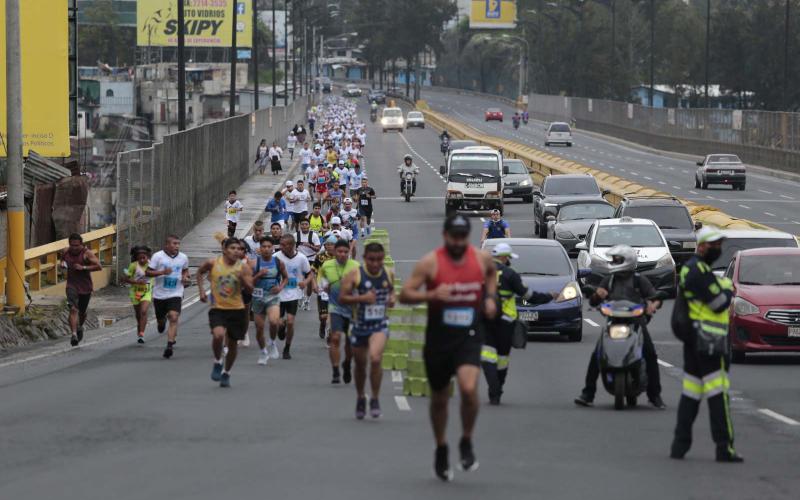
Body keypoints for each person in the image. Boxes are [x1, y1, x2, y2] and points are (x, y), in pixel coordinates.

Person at [399, 215, 498, 482]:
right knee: (440, 397)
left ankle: (466, 440)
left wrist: (489, 298)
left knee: (468, 388)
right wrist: (430, 295)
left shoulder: (480, 258)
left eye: (462, 236)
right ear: (445, 236)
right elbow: (405, 294)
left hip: (469, 334)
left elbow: (492, 274)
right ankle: (441, 447)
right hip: (439, 338)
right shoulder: (430, 262)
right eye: (454, 237)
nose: (458, 242)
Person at [670, 228, 743, 463]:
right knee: (718, 397)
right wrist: (727, 289)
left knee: (690, 396)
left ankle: (679, 447)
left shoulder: (697, 269)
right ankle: (725, 448)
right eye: (715, 245)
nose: (718, 249)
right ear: (701, 246)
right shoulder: (697, 271)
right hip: (708, 345)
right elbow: (720, 303)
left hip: (696, 343)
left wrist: (721, 287)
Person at [574, 245, 665, 409]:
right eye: (613, 259)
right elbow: (594, 300)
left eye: (617, 260)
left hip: (636, 323)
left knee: (650, 354)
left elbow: (655, 297)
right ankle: (587, 394)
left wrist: (653, 304)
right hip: (613, 322)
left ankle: (655, 395)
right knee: (597, 354)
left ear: (628, 261)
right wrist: (596, 295)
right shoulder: (608, 280)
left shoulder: (639, 280)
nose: (614, 262)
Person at [483, 243, 555, 405]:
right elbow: (529, 296)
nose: (508, 261)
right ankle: (497, 390)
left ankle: (493, 387)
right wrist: (549, 296)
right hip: (506, 322)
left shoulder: (482, 272)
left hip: (485, 320)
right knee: (502, 358)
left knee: (487, 354)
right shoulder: (510, 274)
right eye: (508, 258)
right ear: (503, 257)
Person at [340, 242, 395, 419]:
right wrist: (363, 298)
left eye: (379, 260)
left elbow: (391, 292)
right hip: (359, 325)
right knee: (361, 365)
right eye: (371, 260)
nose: (375, 264)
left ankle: (375, 398)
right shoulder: (354, 275)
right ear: (364, 259)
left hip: (379, 324)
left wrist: (392, 299)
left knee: (376, 358)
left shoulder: (388, 273)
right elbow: (342, 298)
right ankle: (360, 397)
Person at [197, 238, 254, 388]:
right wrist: (202, 291)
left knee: (233, 344)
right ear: (225, 250)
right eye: (233, 248)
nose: (236, 251)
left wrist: (243, 280)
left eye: (239, 249)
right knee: (218, 335)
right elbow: (199, 272)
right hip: (218, 308)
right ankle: (217, 361)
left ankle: (227, 372)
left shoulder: (244, 268)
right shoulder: (213, 263)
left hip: (237, 309)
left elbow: (250, 290)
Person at [316, 239, 360, 384]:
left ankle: (347, 363)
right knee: (335, 338)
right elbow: (320, 280)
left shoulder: (356, 267)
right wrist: (323, 286)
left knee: (350, 343)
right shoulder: (327, 265)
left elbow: (362, 287)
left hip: (352, 309)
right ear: (334, 252)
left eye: (346, 252)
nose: (342, 254)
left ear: (349, 253)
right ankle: (335, 370)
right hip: (335, 308)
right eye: (340, 251)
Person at [147, 235, 191, 359]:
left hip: (175, 292)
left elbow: (185, 270)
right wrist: (162, 272)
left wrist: (186, 277)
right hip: (159, 294)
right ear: (166, 245)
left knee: (173, 316)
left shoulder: (183, 257)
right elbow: (148, 272)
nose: (177, 246)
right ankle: (161, 323)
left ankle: (169, 345)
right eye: (174, 243)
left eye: (178, 244)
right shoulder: (157, 256)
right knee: (161, 320)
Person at [251, 237, 288, 365]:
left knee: (273, 321)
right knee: (259, 328)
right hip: (258, 298)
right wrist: (258, 275)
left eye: (269, 247)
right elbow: (249, 283)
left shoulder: (278, 263)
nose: (266, 249)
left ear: (273, 248)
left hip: (273, 297)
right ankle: (263, 352)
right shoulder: (253, 264)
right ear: (259, 249)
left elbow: (286, 278)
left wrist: (280, 287)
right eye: (264, 247)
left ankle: (272, 342)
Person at [274, 234, 312, 359]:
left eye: (284, 245)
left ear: (292, 245)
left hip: (294, 294)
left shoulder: (301, 258)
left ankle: (287, 348)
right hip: (279, 294)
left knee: (291, 322)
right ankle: (281, 326)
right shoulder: (276, 257)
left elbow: (310, 274)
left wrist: (305, 283)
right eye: (281, 244)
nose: (281, 247)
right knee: (278, 322)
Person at [63, 233, 102, 347]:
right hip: (71, 285)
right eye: (72, 245)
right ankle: (74, 334)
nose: (74, 248)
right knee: (73, 309)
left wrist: (83, 267)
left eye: (76, 245)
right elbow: (63, 261)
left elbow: (99, 266)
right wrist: (62, 265)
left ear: (81, 244)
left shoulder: (87, 253)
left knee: (82, 312)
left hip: (85, 287)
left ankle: (79, 327)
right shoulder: (66, 251)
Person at [122, 245, 154, 344]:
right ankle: (139, 325)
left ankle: (141, 334)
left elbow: (158, 273)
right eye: (139, 258)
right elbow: (125, 279)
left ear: (147, 257)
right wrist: (137, 282)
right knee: (138, 314)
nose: (142, 260)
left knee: (144, 311)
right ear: (136, 258)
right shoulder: (133, 266)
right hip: (135, 292)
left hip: (146, 292)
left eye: (144, 258)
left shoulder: (152, 265)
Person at [312, 236, 337, 339]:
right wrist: (314, 284)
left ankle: (330, 332)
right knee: (323, 316)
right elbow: (313, 272)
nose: (330, 247)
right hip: (322, 290)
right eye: (328, 244)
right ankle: (322, 325)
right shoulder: (320, 257)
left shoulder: (341, 256)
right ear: (325, 246)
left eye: (332, 244)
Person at [296, 218, 322, 310]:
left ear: (309, 225)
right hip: (299, 260)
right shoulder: (296, 235)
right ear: (300, 226)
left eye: (306, 224)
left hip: (311, 259)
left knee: (310, 282)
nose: (304, 226)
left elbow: (318, 249)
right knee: (298, 280)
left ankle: (307, 299)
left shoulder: (313, 235)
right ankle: (300, 296)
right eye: (302, 224)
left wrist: (309, 245)